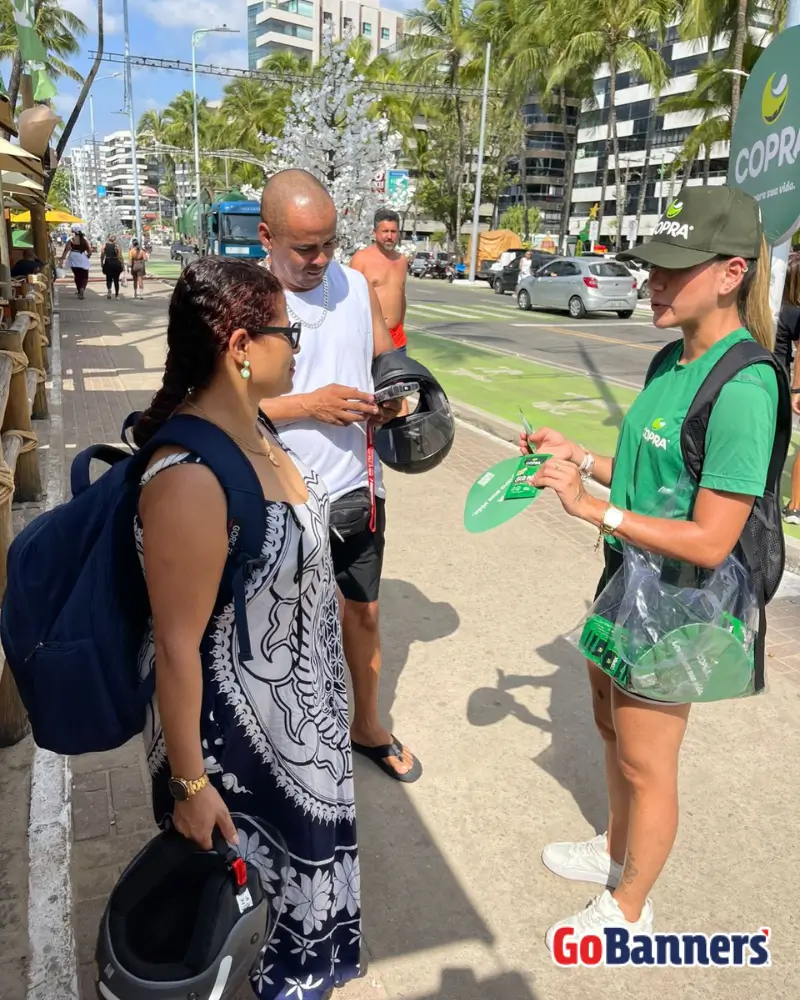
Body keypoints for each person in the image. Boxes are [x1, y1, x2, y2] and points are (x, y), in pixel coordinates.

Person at [520, 186, 782, 945]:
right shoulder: (671, 357)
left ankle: (631, 906)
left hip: (684, 602)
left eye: (672, 269)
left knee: (647, 762)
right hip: (628, 581)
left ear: (731, 273)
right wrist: (583, 459)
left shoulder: (746, 385)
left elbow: (709, 539)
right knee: (608, 726)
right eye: (650, 267)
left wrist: (589, 509)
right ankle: (612, 849)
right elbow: (654, 475)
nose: (652, 283)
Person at [133, 256, 362, 999]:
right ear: (239, 346)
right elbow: (174, 643)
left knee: (296, 930)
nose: (295, 346)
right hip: (245, 758)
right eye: (285, 331)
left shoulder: (256, 425)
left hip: (303, 741)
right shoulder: (191, 477)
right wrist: (191, 785)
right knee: (246, 932)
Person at [258, 169, 421, 782]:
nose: (320, 259)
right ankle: (282, 740)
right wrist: (307, 405)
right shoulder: (247, 298)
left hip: (358, 489)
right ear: (266, 235)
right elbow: (211, 407)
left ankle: (366, 724)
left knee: (365, 612)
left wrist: (394, 398)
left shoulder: (354, 284)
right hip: (276, 494)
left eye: (329, 242)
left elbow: (386, 359)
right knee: (281, 622)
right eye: (304, 248)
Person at [350, 208, 408, 353]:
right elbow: (351, 300)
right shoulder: (361, 259)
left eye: (393, 232)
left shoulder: (401, 261)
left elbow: (401, 296)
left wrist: (401, 324)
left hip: (397, 339)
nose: (389, 236)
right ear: (374, 233)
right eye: (385, 231)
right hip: (370, 337)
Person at [778, 259, 800, 523]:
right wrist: (796, 388)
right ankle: (794, 505)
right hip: (780, 378)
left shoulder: (773, 308)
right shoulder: (795, 313)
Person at [60, 226, 92, 298]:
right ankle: (82, 288)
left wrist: (62, 259)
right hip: (81, 257)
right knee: (84, 276)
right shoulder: (84, 240)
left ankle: (78, 290)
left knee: (77, 275)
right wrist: (88, 256)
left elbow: (66, 250)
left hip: (73, 257)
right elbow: (89, 251)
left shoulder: (71, 240)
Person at [100, 234, 124, 299]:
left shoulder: (105, 245)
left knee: (108, 278)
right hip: (116, 263)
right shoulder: (117, 246)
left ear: (108, 238)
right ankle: (116, 295)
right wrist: (122, 264)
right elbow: (120, 256)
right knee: (116, 280)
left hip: (108, 262)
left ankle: (109, 290)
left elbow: (102, 255)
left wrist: (102, 263)